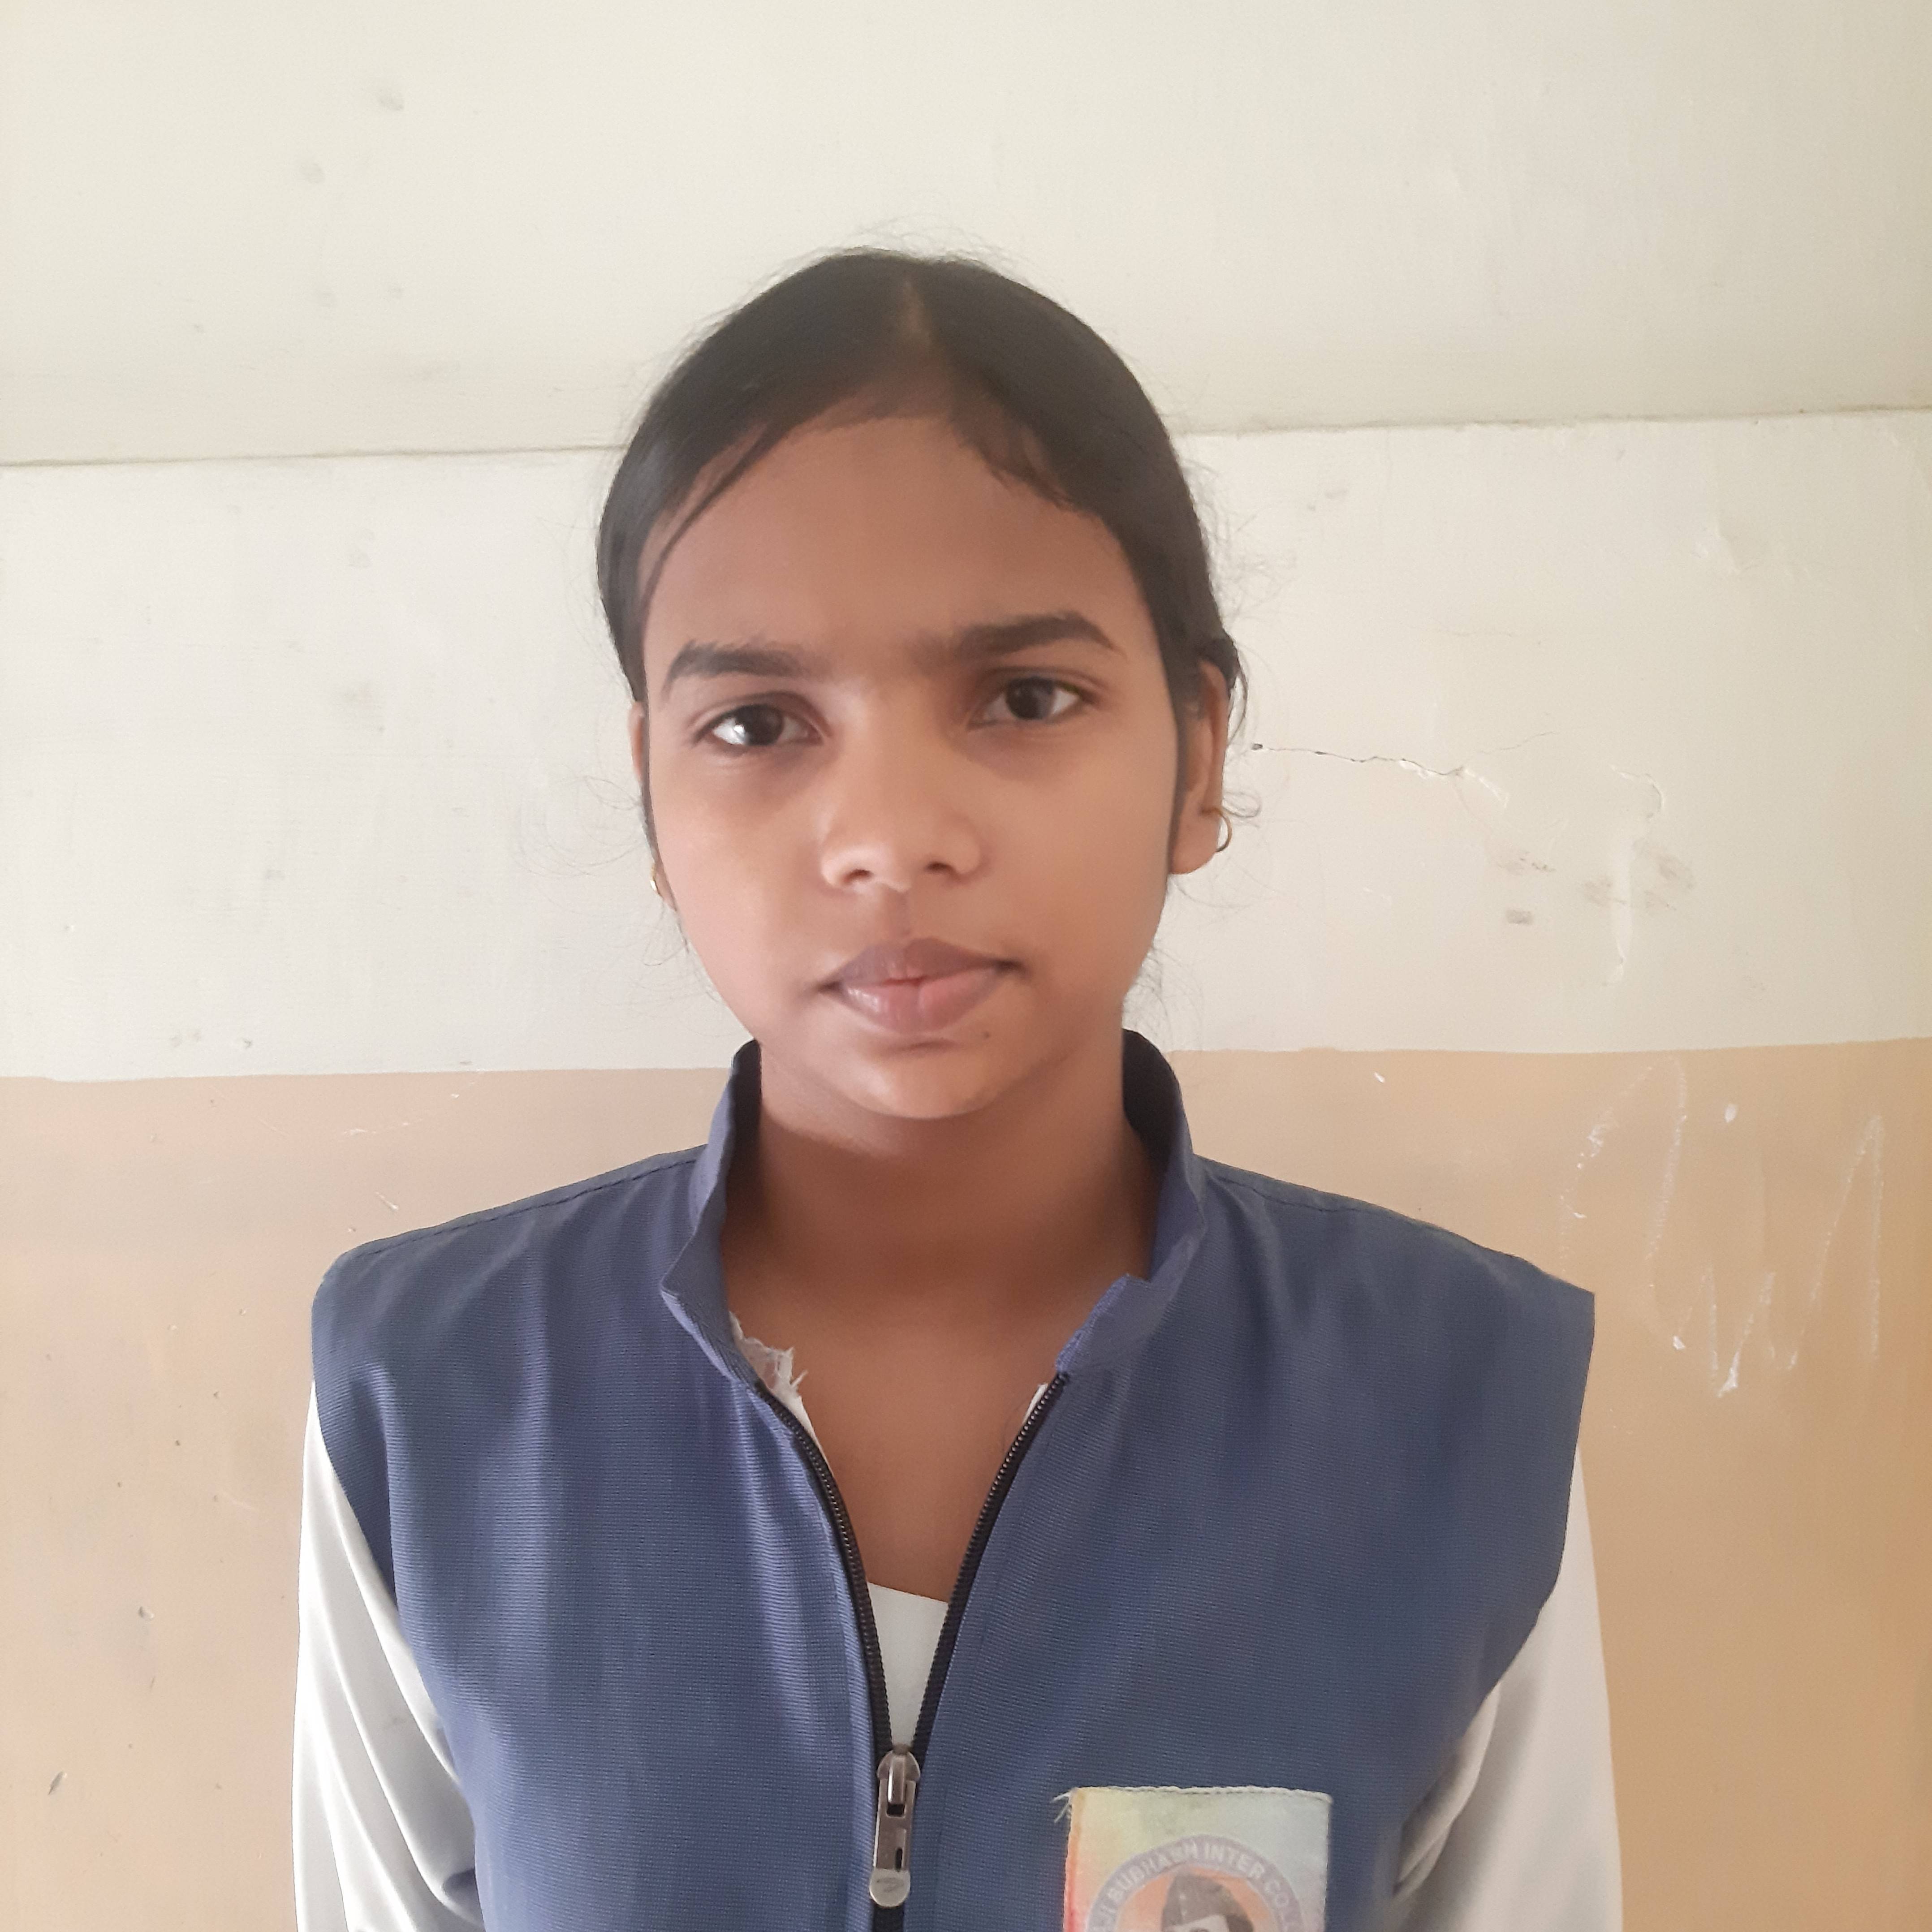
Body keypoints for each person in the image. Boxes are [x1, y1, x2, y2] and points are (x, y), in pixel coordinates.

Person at [293, 248, 1620, 1932]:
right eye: (759, 723)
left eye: (1024, 697)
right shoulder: (432, 1396)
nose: (889, 837)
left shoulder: (1456, 1401)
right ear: (650, 793)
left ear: (1199, 755)